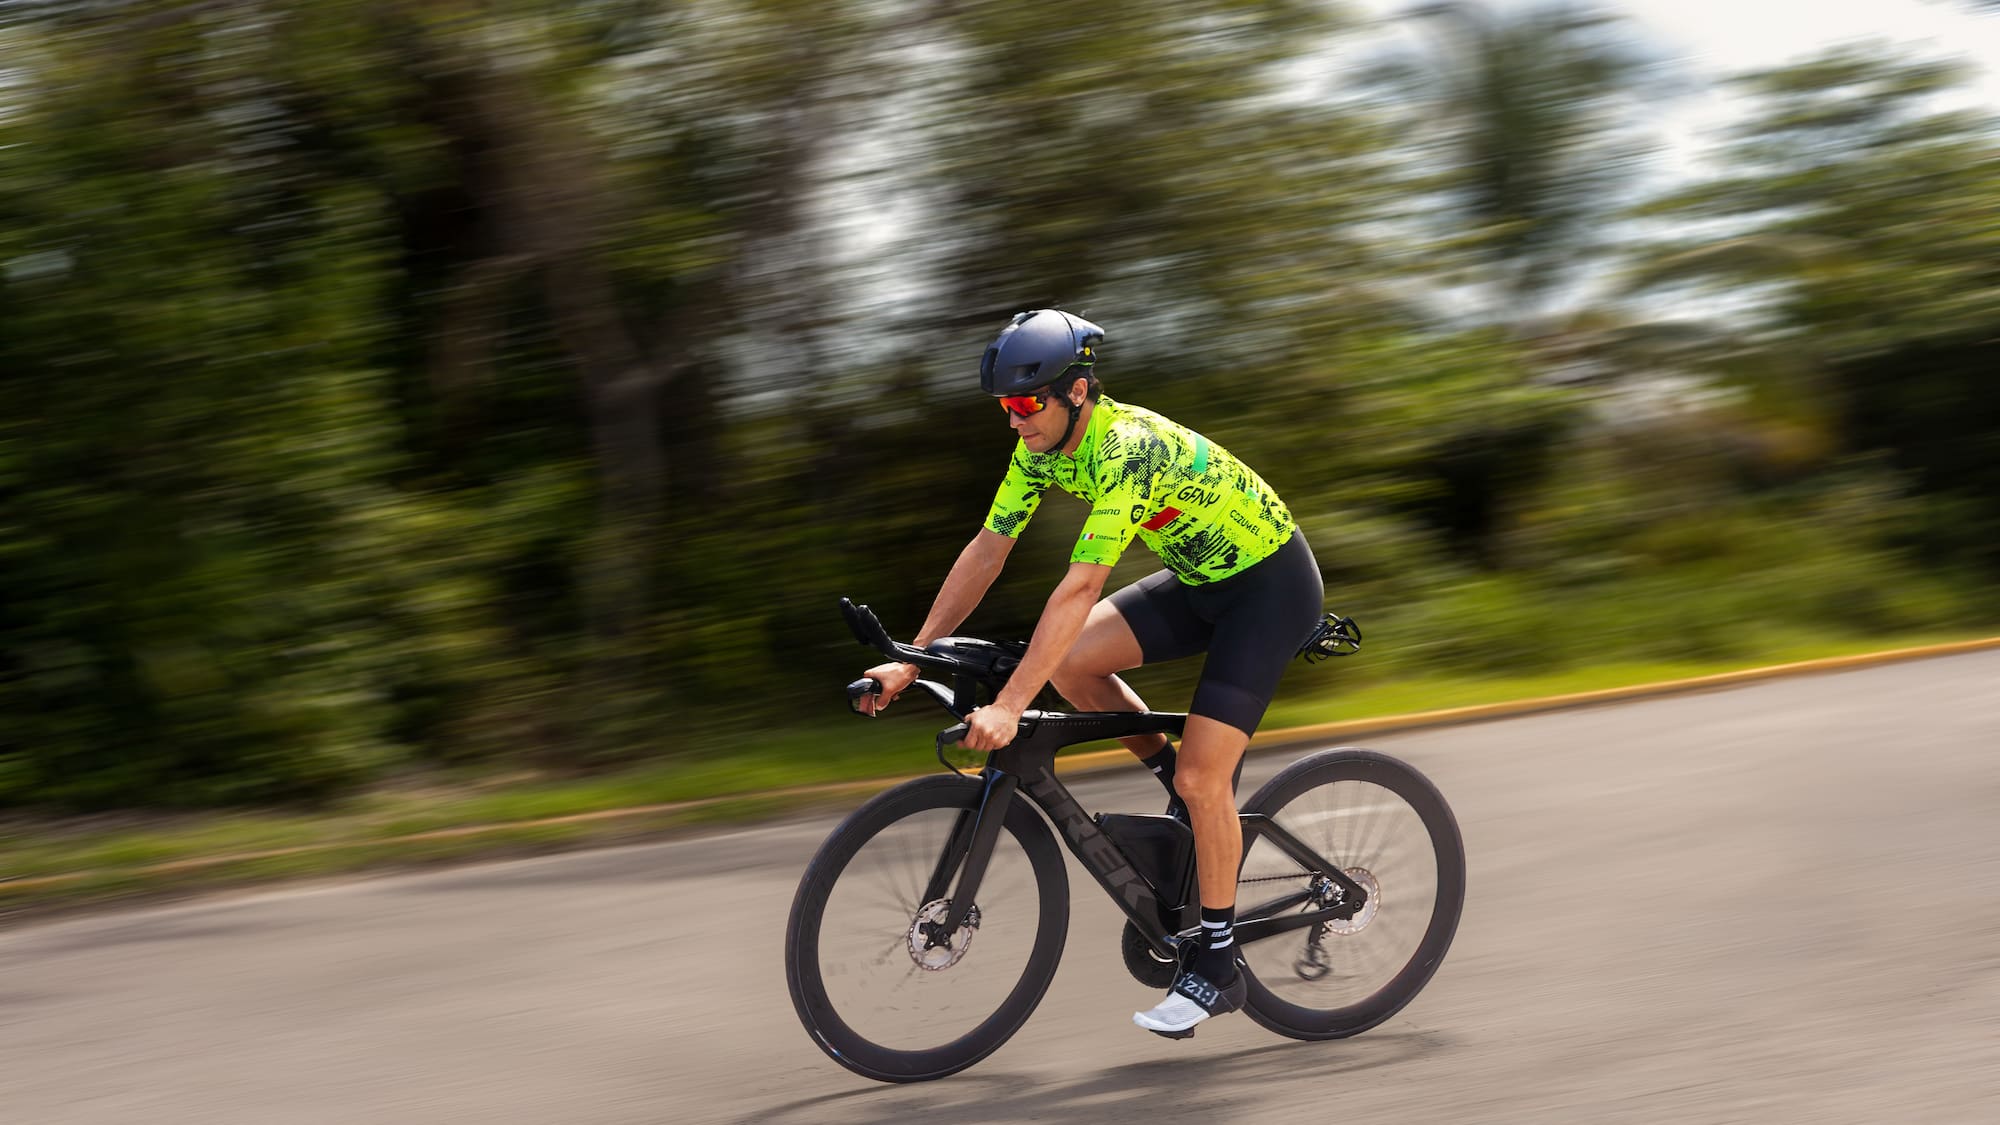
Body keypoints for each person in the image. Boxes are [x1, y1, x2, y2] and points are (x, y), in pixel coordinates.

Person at [858, 309, 1325, 1038]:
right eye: (1005, 408)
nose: (1014, 422)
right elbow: (988, 549)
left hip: (1269, 588)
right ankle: (1178, 782)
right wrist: (911, 658)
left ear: (1076, 391)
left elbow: (1078, 589)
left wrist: (1012, 704)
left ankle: (1220, 961)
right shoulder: (1040, 449)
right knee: (1075, 664)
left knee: (1209, 778)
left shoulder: (1126, 447)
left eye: (1024, 404)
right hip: (1200, 579)